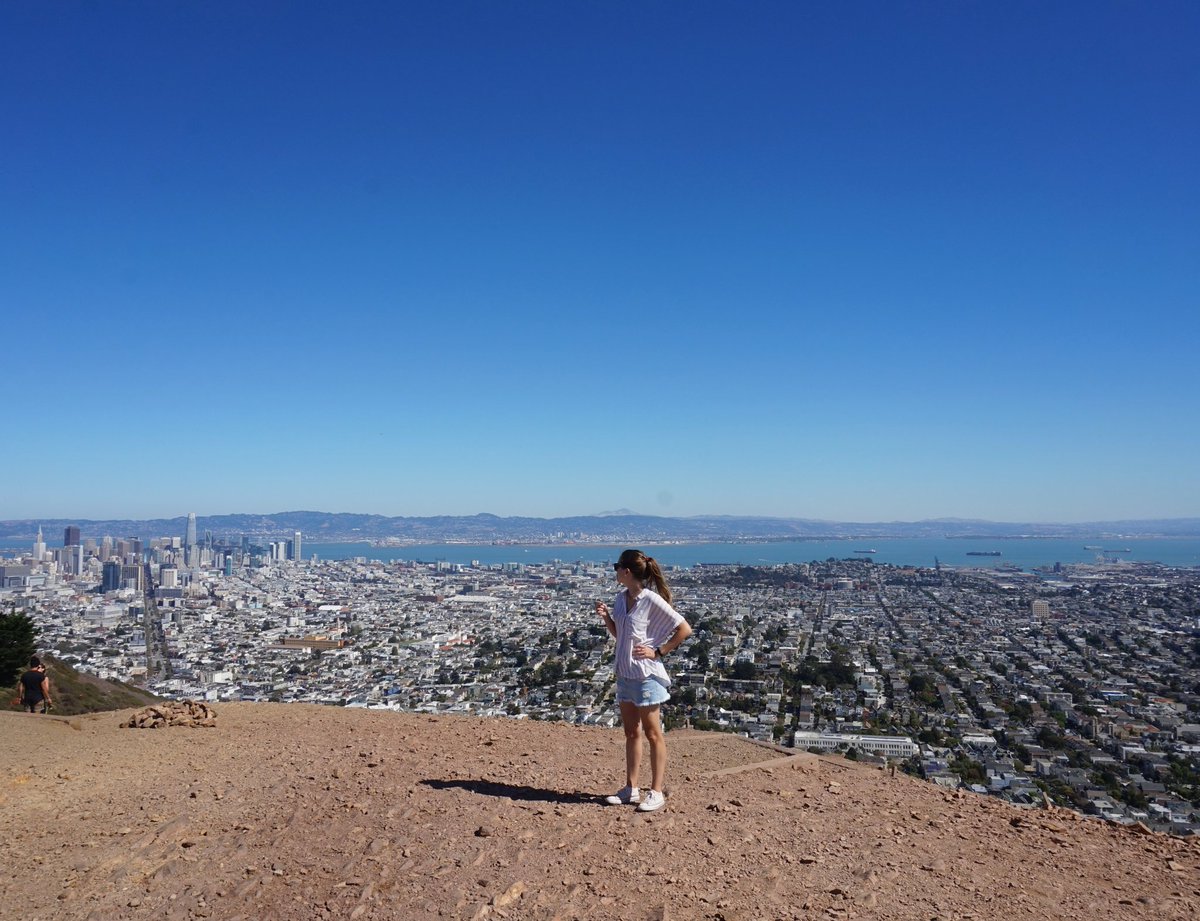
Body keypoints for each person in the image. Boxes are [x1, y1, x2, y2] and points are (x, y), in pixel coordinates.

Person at [595, 549, 692, 812]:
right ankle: (631, 789)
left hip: (647, 676)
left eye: (617, 566)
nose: (615, 571)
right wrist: (606, 618)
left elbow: (684, 628)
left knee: (653, 733)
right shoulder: (620, 598)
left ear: (627, 571)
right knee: (631, 732)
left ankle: (657, 791)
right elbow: (621, 635)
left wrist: (658, 651)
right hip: (625, 674)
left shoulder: (650, 600)